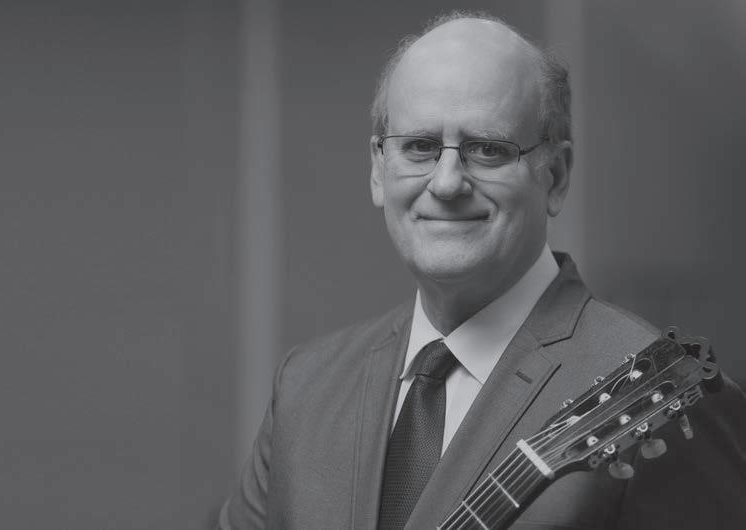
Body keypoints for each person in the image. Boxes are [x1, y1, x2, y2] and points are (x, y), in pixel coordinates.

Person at [219, 11, 746, 530]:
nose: (447, 183)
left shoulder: (661, 397)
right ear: (379, 171)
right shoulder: (305, 388)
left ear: (556, 176)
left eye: (488, 150)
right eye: (419, 147)